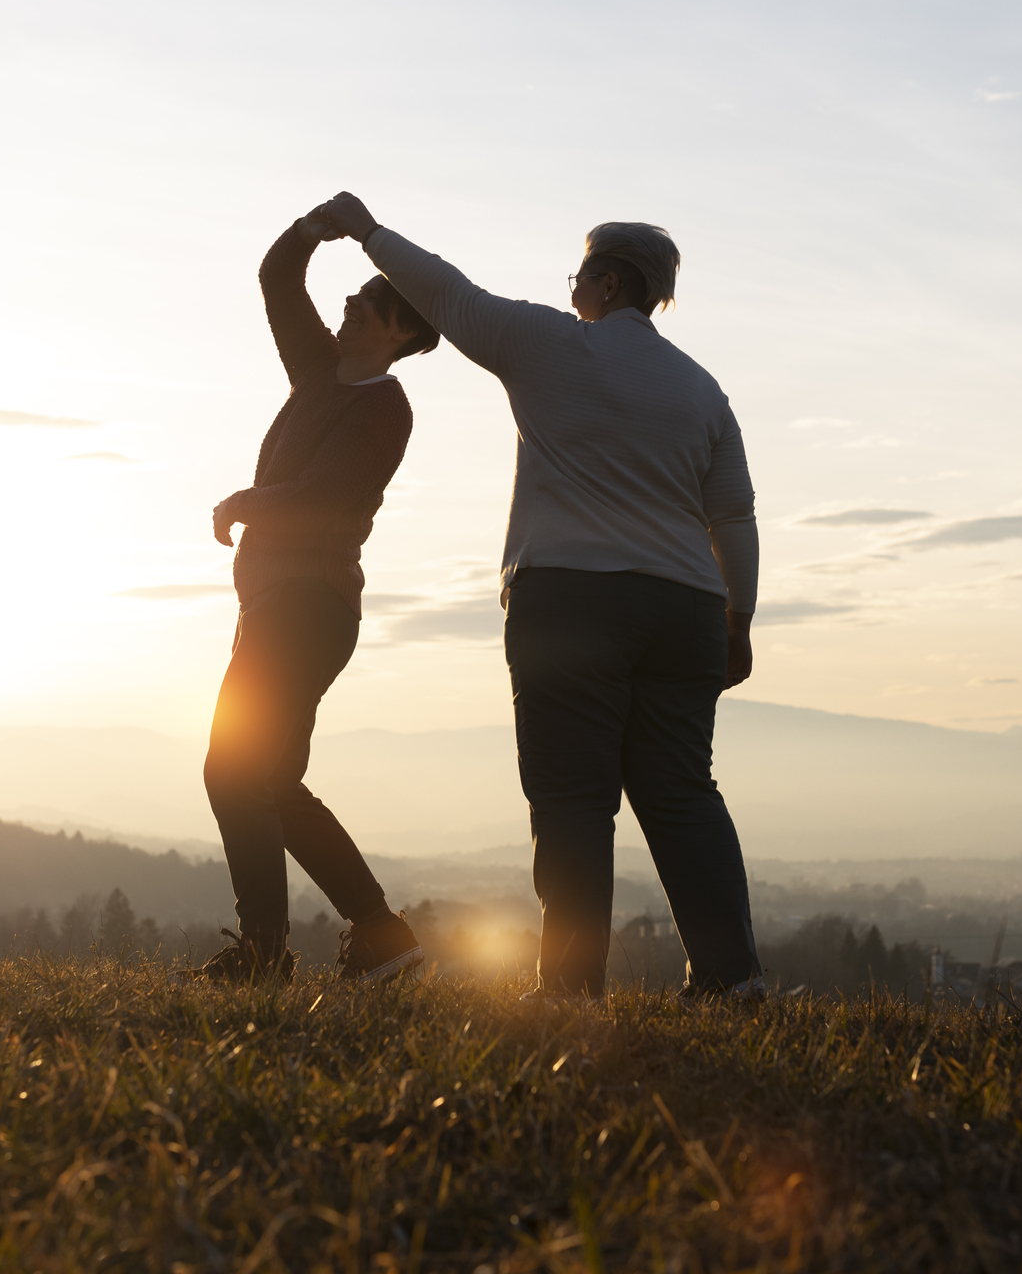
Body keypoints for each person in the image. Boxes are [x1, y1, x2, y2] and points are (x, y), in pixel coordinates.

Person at [316, 191, 764, 999]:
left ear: (606, 284)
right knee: (681, 792)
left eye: (578, 277)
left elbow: (447, 295)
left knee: (571, 795)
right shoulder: (702, 390)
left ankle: (569, 986)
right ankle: (732, 979)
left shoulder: (550, 344)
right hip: (687, 608)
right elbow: (731, 513)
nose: (570, 292)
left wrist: (367, 231)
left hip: (569, 598)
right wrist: (740, 616)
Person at [194, 209, 438, 984]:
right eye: (359, 294)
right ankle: (382, 936)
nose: (355, 304)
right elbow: (276, 279)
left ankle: (264, 956)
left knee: (232, 771)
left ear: (401, 334)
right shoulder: (315, 374)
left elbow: (321, 496)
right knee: (266, 780)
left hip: (309, 605)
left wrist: (242, 501)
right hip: (273, 604)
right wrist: (311, 228)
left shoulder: (384, 408)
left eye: (375, 303)